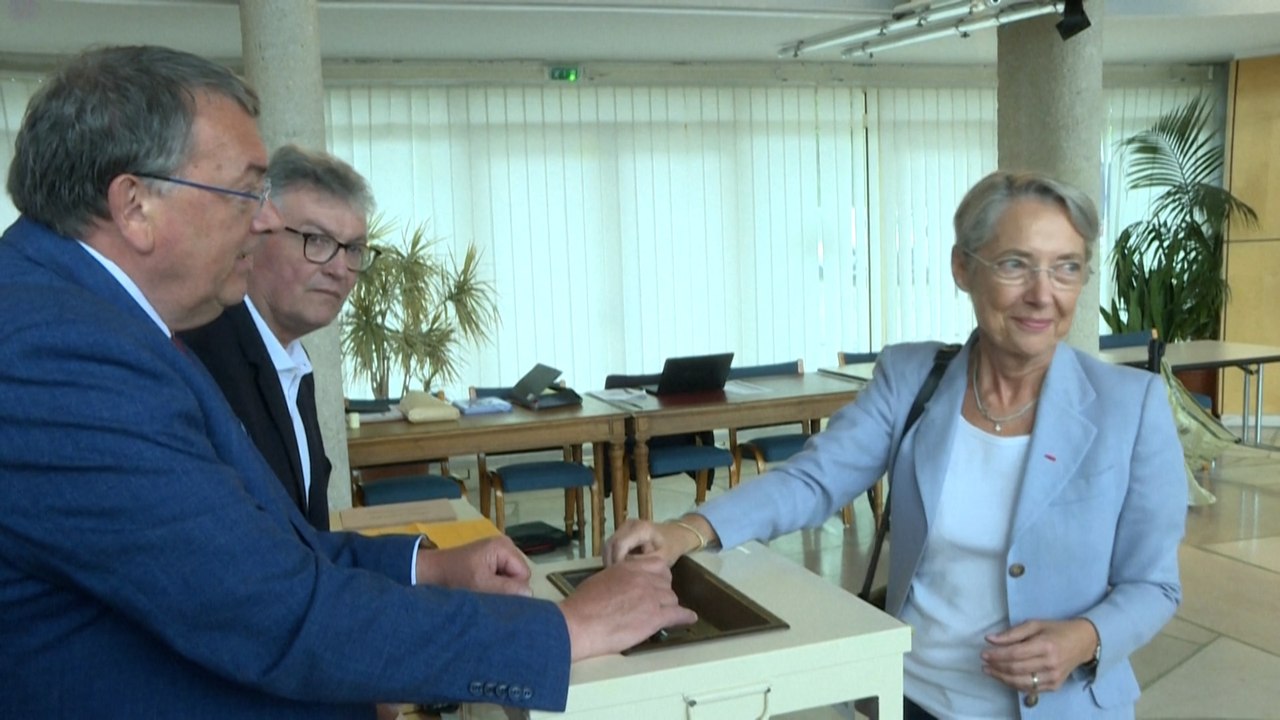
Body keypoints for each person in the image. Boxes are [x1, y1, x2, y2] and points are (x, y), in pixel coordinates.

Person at [0, 45, 694, 719]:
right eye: (246, 191)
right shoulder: (58, 354)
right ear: (135, 206)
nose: (266, 219)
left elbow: (260, 548)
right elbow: (267, 611)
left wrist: (426, 568)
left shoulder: (94, 323)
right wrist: (567, 631)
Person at [607, 170, 1187, 719]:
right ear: (964, 267)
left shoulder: (1128, 406)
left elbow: (1153, 584)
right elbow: (814, 478)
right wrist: (688, 530)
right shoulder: (912, 377)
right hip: (913, 697)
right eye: (1016, 264)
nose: (1044, 294)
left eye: (1067, 268)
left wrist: (1085, 638)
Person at [181, 144, 374, 530]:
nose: (340, 269)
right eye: (316, 240)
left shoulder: (294, 362)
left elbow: (303, 539)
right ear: (257, 233)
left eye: (353, 249)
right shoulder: (203, 357)